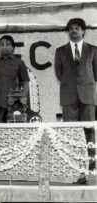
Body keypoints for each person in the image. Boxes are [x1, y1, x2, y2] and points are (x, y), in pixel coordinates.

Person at [54, 18, 97, 184]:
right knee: (71, 132)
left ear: (83, 31)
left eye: (77, 28)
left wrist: (84, 85)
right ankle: (75, 170)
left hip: (88, 97)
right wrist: (70, 85)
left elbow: (96, 73)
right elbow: (59, 73)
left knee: (89, 131)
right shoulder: (60, 51)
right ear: (68, 32)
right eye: (71, 28)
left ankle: (91, 168)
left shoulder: (93, 50)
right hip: (68, 96)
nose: (74, 31)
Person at [0, 35, 30, 123]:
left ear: (13, 48)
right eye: (2, 44)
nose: (4, 47)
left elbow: (25, 82)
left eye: (8, 44)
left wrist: (23, 99)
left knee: (14, 132)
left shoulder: (19, 63)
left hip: (15, 105)